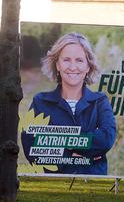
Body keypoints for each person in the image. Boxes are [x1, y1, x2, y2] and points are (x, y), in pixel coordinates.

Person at [21, 32, 117, 175]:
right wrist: (72, 157)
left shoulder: (100, 101)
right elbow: (31, 146)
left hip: (93, 186)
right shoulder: (40, 102)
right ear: (58, 65)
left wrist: (58, 141)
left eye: (79, 60)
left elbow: (106, 140)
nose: (73, 67)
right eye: (66, 60)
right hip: (54, 186)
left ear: (88, 66)